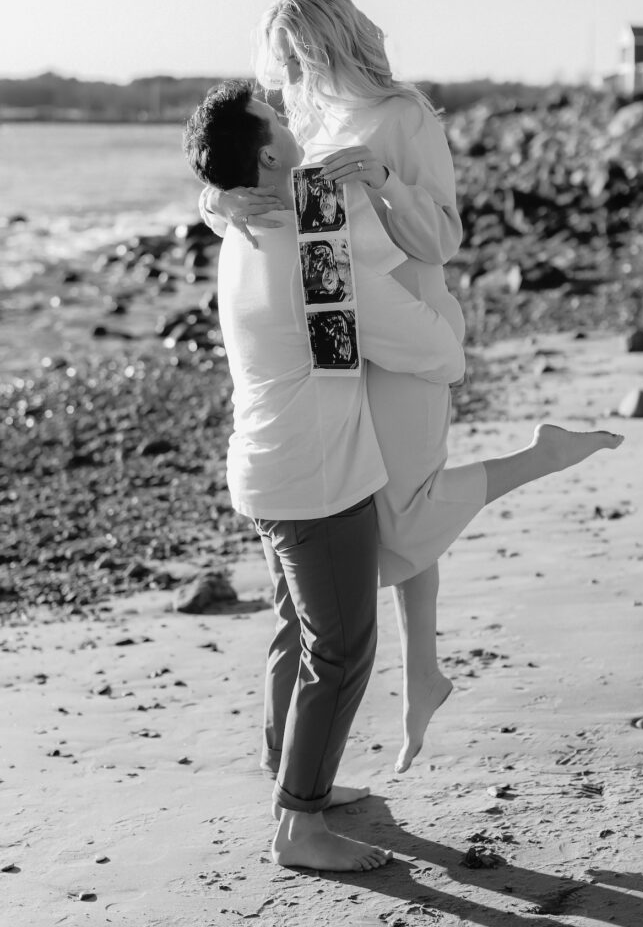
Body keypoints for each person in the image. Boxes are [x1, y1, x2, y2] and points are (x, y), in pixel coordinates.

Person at [199, 0, 623, 776]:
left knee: (400, 512)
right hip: (342, 339)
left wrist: (388, 179)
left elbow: (445, 236)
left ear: (327, 44)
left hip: (406, 324)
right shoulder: (308, 121)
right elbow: (280, 217)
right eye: (279, 61)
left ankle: (536, 466)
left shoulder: (405, 115)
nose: (285, 74)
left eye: (295, 56)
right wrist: (215, 199)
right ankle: (419, 676)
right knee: (376, 514)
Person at [183, 80, 468, 872]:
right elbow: (404, 338)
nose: (289, 116)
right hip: (315, 476)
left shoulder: (244, 230)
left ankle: (293, 777)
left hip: (267, 465)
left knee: (294, 629)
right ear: (269, 154)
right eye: (276, 117)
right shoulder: (305, 252)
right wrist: (447, 343)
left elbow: (336, 337)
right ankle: (298, 825)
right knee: (340, 648)